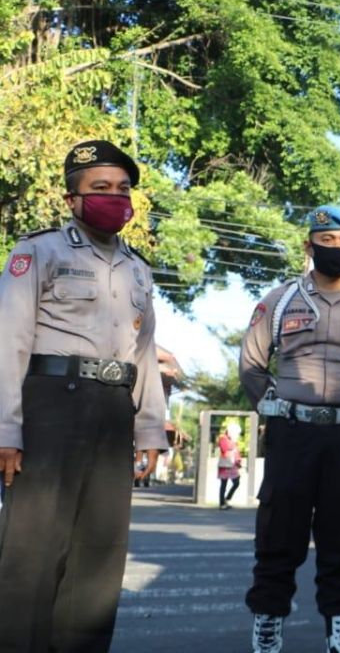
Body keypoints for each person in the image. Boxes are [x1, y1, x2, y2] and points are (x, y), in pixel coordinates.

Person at [0, 139, 168, 652]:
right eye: (100, 188)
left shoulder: (139, 268)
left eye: (122, 189)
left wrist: (150, 427)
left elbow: (144, 351)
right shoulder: (39, 250)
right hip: (51, 405)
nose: (114, 198)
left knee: (99, 557)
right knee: (31, 554)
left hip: (114, 410)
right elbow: (9, 338)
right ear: (72, 198)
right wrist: (6, 429)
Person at [239, 205, 340, 653]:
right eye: (327, 241)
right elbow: (251, 365)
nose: (336, 249)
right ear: (310, 245)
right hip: (292, 433)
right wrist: (274, 411)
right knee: (278, 536)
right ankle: (268, 626)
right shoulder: (278, 300)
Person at [216, 421, 243, 509]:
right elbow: (225, 449)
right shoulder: (223, 438)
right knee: (224, 484)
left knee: (236, 482)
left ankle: (227, 498)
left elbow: (237, 452)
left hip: (232, 464)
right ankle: (222, 503)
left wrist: (238, 461)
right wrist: (233, 444)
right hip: (226, 464)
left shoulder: (233, 441)